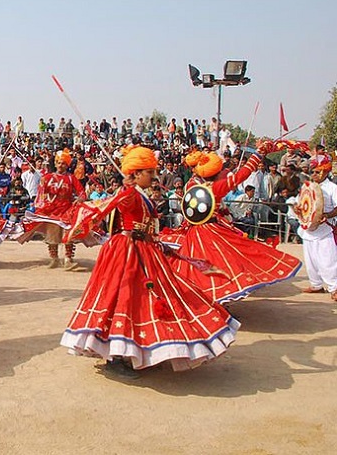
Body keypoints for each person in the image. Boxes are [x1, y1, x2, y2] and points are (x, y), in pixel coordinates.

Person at [61, 146, 240, 378]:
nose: (153, 177)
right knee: (122, 299)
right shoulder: (128, 194)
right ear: (136, 173)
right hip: (126, 252)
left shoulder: (141, 195)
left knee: (146, 300)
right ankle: (116, 356)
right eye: (149, 172)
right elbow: (107, 209)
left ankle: (139, 350)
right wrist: (123, 190)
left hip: (145, 250)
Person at [161, 146, 301, 304]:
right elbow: (240, 176)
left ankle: (206, 296)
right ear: (217, 173)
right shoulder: (215, 187)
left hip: (196, 231)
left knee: (197, 265)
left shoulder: (196, 186)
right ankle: (216, 295)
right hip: (210, 230)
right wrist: (257, 155)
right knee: (222, 262)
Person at [20, 149, 86, 271]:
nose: (61, 165)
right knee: (52, 236)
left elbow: (82, 193)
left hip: (67, 210)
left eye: (63, 163)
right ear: (55, 164)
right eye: (59, 163)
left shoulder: (71, 178)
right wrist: (44, 203)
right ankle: (54, 259)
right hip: (51, 212)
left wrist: (80, 199)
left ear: (67, 165)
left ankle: (68, 260)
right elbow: (41, 195)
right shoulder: (47, 178)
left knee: (69, 235)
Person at [294, 154, 337, 300]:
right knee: (311, 260)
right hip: (309, 230)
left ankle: (334, 288)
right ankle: (316, 285)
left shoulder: (332, 188)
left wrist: (328, 215)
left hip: (325, 229)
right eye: (312, 171)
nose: (313, 174)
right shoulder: (307, 187)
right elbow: (300, 204)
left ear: (325, 171)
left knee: (328, 260)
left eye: (317, 171)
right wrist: (298, 210)